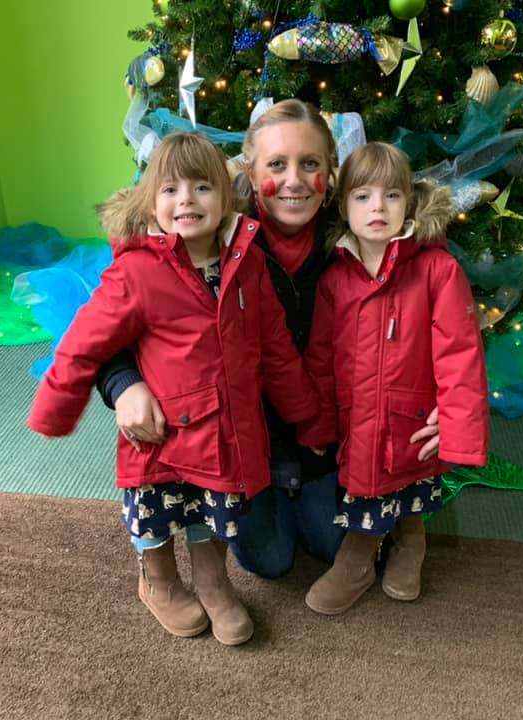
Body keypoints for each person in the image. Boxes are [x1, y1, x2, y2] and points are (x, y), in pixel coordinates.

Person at [98, 100, 442, 578]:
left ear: (332, 172)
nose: (294, 180)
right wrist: (124, 384)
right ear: (248, 171)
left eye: (311, 164)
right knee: (270, 560)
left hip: (335, 438)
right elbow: (107, 330)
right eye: (276, 165)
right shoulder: (207, 235)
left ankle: (390, 521)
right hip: (244, 438)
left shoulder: (365, 230)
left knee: (333, 544)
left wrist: (444, 398)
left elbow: (440, 318)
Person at [27, 133, 317, 645]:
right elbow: (84, 342)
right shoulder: (136, 270)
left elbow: (275, 349)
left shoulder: (246, 264)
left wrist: (307, 415)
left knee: (213, 516)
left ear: (227, 199)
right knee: (156, 517)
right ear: (151, 204)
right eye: (170, 189)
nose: (186, 199)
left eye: (202, 186)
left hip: (225, 432)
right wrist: (55, 410)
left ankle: (212, 583)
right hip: (161, 435)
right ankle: (157, 582)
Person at [298, 142, 490, 614]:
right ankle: (392, 544)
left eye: (391, 196)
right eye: (362, 196)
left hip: (414, 417)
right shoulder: (334, 278)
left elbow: (460, 354)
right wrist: (319, 423)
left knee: (408, 484)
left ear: (410, 202)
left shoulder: (438, 271)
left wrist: (456, 422)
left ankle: (375, 552)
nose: (377, 207)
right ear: (343, 207)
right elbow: (320, 359)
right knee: (367, 481)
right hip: (357, 416)